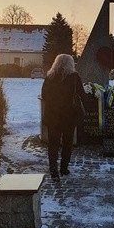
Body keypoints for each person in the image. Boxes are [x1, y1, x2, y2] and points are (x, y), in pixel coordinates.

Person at [41, 54, 85, 182]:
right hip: (69, 116)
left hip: (52, 115)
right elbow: (82, 94)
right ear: (71, 64)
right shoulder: (74, 77)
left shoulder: (49, 77)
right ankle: (64, 168)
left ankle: (53, 169)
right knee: (67, 143)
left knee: (53, 144)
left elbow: (44, 95)